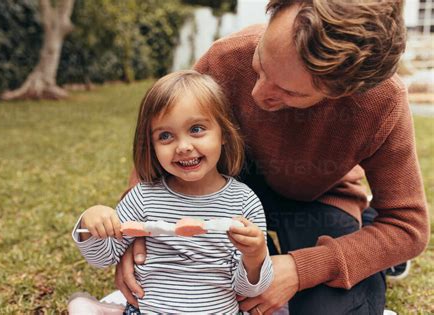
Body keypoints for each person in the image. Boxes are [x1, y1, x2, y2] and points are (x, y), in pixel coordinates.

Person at [115, 1, 430, 314]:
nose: (257, 94)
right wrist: (135, 234)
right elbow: (158, 153)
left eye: (291, 93)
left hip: (318, 199)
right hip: (225, 191)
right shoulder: (225, 58)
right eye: (260, 63)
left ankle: (365, 227)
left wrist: (299, 269)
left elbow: (406, 225)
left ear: (346, 90)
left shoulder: (382, 101)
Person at [71, 70, 275, 314]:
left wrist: (255, 257)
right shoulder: (143, 197)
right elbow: (102, 258)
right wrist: (91, 222)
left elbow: (248, 288)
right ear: (151, 144)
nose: (184, 147)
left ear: (223, 133)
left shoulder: (244, 202)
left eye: (197, 129)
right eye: (165, 136)